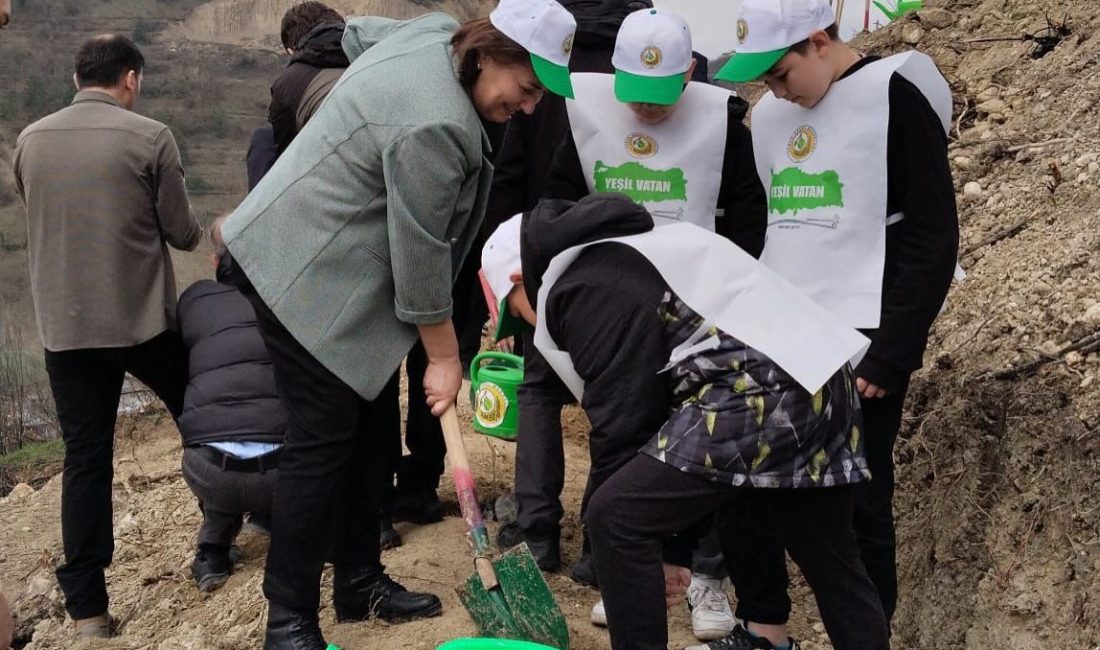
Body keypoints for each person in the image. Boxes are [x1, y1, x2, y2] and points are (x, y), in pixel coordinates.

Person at [212, 0, 577, 646]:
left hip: (338, 272)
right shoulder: (435, 124)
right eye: (524, 90)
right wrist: (444, 359)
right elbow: (420, 260)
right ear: (491, 53)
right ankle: (288, 619)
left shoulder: (439, 34)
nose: (526, 109)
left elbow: (354, 34)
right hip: (300, 275)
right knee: (321, 443)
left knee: (369, 428)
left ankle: (357, 581)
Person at [481, 194, 889, 650]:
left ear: (521, 278)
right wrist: (671, 548)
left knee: (615, 517)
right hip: (823, 376)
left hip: (761, 393)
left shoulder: (577, 286)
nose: (528, 328)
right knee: (831, 558)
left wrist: (650, 544)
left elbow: (627, 421)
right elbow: (673, 429)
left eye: (517, 312)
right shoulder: (636, 247)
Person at [706, 0, 960, 646]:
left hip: (864, 340)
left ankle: (868, 634)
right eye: (763, 79)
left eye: (782, 72)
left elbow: (932, 235)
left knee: (860, 505)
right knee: (745, 478)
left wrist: (894, 351)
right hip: (780, 333)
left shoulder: (894, 94)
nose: (774, 90)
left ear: (819, 40)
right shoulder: (769, 117)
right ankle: (765, 626)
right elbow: (770, 230)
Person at [12, 35, 202, 639]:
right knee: (200, 412)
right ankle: (234, 528)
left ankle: (88, 609)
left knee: (85, 458)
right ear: (132, 79)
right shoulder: (150, 138)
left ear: (75, 76)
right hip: (140, 320)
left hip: (66, 331)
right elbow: (183, 232)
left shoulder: (29, 141)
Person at [176, 250, 290, 593]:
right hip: (280, 474)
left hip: (209, 473)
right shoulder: (287, 300)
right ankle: (281, 522)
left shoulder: (195, 300)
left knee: (217, 438)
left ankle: (212, 552)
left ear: (215, 263)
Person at [269, 1, 349, 158]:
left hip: (332, 167)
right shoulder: (369, 56)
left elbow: (285, 151)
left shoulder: (289, 82)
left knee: (263, 140)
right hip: (387, 164)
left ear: (292, 50)